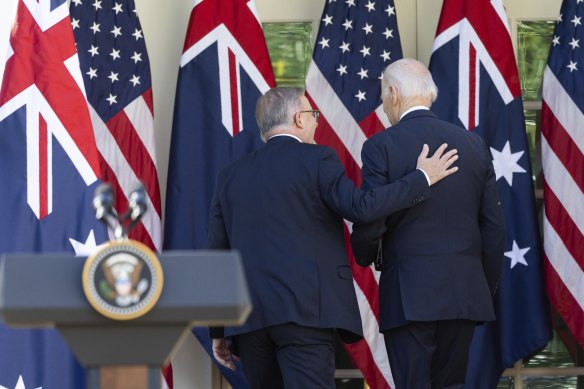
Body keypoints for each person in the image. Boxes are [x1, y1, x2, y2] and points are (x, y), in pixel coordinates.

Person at [208, 87, 458, 388]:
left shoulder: (231, 176)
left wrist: (218, 331)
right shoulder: (317, 159)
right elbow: (361, 208)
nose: (317, 122)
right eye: (313, 115)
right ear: (299, 119)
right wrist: (421, 178)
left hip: (249, 323)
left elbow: (217, 255)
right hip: (306, 314)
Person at [350, 59, 506, 389]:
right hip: (464, 293)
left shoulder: (381, 146)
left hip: (408, 297)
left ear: (393, 93)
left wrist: (364, 254)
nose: (383, 104)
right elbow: (493, 228)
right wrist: (480, 284)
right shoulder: (473, 145)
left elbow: (371, 216)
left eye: (382, 95)